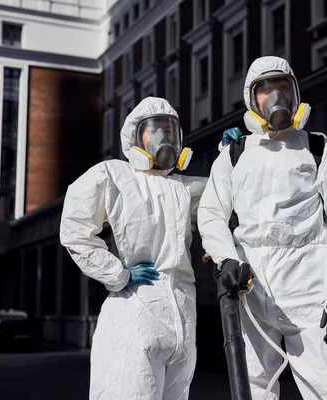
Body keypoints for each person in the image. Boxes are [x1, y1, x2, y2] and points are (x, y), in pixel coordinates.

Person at [198, 56, 327, 399]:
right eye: (266, 89)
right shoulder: (234, 153)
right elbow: (212, 212)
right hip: (250, 284)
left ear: (295, 93)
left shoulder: (319, 148)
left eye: (282, 87)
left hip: (308, 283)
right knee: (255, 386)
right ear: (252, 98)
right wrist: (226, 259)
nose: (276, 97)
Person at [60, 97, 207, 400]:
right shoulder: (114, 175)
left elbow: (228, 201)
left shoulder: (184, 187)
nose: (163, 137)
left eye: (169, 130)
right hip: (136, 308)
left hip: (183, 311)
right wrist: (117, 273)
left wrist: (234, 155)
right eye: (154, 130)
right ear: (135, 136)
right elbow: (75, 229)